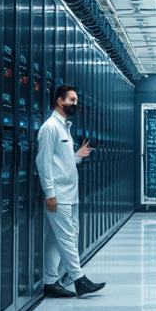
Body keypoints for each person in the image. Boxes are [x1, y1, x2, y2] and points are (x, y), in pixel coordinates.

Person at [37, 84, 105, 298]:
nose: (76, 104)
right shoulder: (50, 128)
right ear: (60, 101)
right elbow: (44, 162)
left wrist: (78, 156)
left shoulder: (64, 128)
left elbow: (62, 163)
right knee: (66, 237)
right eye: (72, 100)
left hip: (69, 194)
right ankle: (79, 279)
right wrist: (50, 193)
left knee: (57, 239)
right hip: (58, 196)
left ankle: (51, 281)